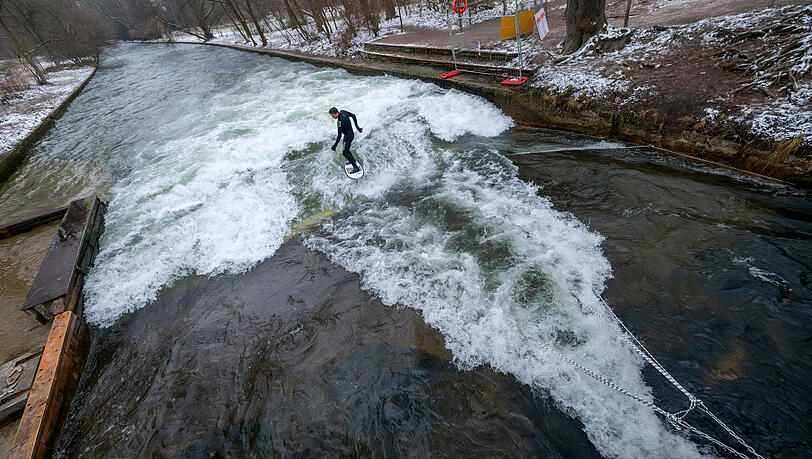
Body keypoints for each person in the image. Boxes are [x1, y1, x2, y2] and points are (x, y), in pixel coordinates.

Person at [329, 107, 363, 173]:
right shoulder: (343, 111)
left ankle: (356, 168)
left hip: (348, 136)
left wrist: (335, 145)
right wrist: (357, 127)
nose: (332, 117)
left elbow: (339, 135)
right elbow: (353, 116)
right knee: (346, 150)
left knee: (345, 153)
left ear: (336, 113)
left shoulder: (339, 122)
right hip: (349, 134)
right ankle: (352, 161)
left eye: (333, 115)